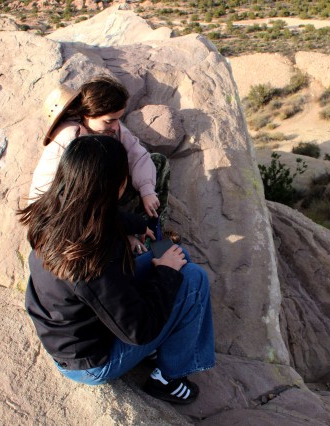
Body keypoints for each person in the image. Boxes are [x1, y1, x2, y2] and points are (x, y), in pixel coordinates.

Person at [19, 135, 214, 404]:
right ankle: (168, 379)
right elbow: (139, 330)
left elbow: (105, 216)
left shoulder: (56, 211)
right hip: (90, 362)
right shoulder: (90, 262)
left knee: (178, 255)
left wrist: (135, 225)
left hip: (76, 325)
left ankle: (165, 342)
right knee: (192, 279)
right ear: (117, 187)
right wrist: (164, 273)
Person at [29, 75, 169, 245]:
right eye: (110, 121)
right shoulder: (71, 140)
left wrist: (147, 190)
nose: (116, 126)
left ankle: (150, 228)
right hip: (71, 218)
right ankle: (136, 243)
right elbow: (79, 205)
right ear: (88, 114)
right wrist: (122, 232)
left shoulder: (108, 129)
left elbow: (137, 154)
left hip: (100, 204)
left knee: (157, 162)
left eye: (119, 119)